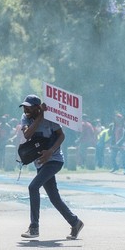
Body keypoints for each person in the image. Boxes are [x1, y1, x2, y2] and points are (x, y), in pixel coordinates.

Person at [18, 94, 84, 240]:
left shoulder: (51, 117)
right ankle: (75, 222)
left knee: (33, 187)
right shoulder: (26, 119)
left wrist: (50, 151)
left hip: (54, 160)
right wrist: (39, 117)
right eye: (24, 107)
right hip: (40, 161)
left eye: (28, 107)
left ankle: (34, 227)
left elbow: (61, 136)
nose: (25, 110)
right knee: (54, 197)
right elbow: (28, 135)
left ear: (37, 107)